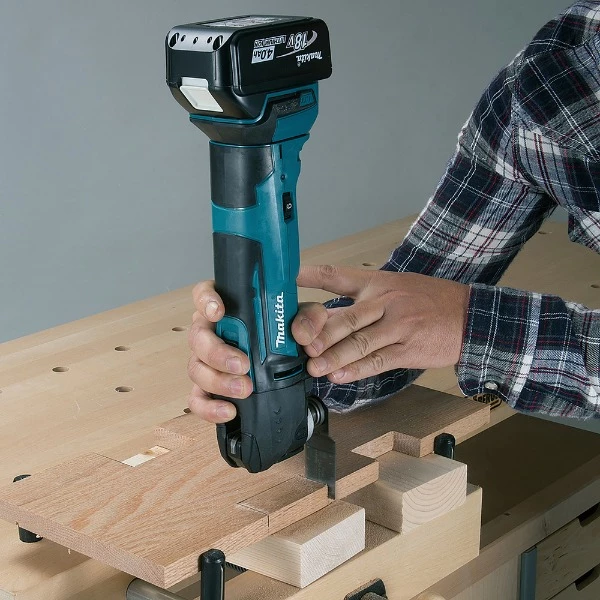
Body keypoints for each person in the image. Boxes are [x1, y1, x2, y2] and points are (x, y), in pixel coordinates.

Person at [188, 0, 600, 424]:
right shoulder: (550, 82)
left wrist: (473, 327)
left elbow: (452, 321)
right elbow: (416, 303)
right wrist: (276, 359)